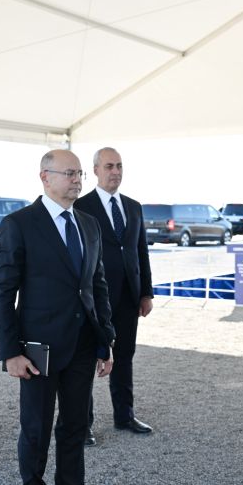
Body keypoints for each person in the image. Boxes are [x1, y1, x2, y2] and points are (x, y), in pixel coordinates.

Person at [0, 149, 117, 485]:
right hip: (37, 349)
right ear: (45, 177)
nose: (77, 180)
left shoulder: (89, 224)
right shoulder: (19, 224)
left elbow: (97, 285)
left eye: (80, 173)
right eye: (69, 173)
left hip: (83, 344)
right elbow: (2, 291)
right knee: (36, 429)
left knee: (75, 426)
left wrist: (106, 340)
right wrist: (10, 351)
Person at [74, 147, 154, 443]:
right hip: (94, 297)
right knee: (87, 360)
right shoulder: (81, 205)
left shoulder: (133, 207)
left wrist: (146, 293)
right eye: (109, 166)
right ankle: (83, 424)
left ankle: (125, 415)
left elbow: (140, 251)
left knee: (124, 356)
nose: (115, 172)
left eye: (119, 166)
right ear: (95, 170)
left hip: (128, 296)